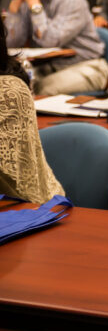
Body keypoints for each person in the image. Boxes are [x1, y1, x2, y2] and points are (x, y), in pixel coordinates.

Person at [4, 0, 108, 95]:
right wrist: (14, 10)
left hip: (87, 66)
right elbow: (11, 44)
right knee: (11, 86)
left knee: (41, 90)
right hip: (46, 68)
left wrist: (35, 5)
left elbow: (50, 41)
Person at [0, 18, 65, 204]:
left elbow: (51, 40)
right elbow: (16, 36)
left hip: (31, 213)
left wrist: (35, 7)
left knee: (46, 88)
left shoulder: (9, 92)